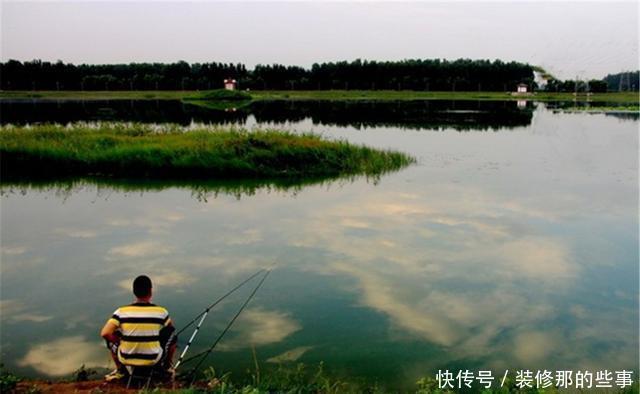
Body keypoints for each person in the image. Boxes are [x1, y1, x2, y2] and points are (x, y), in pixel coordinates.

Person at [100, 275, 177, 382]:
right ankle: (167, 367)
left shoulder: (121, 312)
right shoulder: (161, 312)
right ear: (150, 291)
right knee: (171, 333)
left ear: (134, 292)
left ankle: (120, 370)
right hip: (153, 359)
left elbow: (105, 333)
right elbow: (170, 328)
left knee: (113, 335)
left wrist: (119, 341)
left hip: (126, 358)